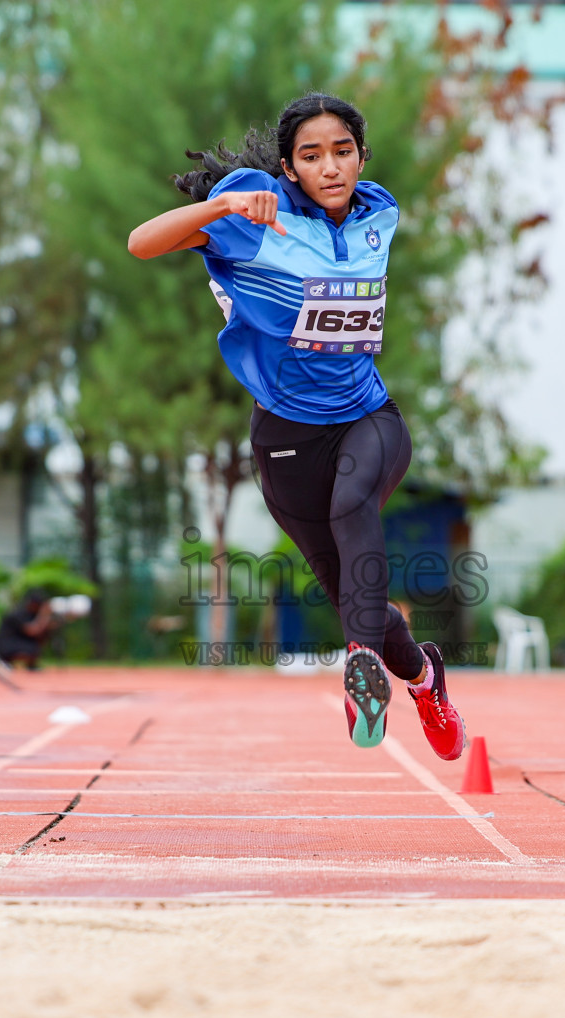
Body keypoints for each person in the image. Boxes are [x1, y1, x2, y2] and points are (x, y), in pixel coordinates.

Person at [127, 94, 466, 760]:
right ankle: (423, 676)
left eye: (343, 151)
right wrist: (222, 206)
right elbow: (142, 244)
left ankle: (360, 667)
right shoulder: (254, 210)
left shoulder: (381, 212)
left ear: (363, 158)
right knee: (355, 593)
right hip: (287, 440)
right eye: (312, 156)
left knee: (354, 504)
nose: (331, 167)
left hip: (369, 416)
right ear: (288, 168)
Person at [0, 587, 58, 670]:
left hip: (19, 641)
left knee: (38, 642)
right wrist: (45, 615)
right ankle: (6, 661)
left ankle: (31, 665)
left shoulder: (33, 614)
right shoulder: (18, 613)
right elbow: (32, 631)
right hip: (7, 645)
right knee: (32, 648)